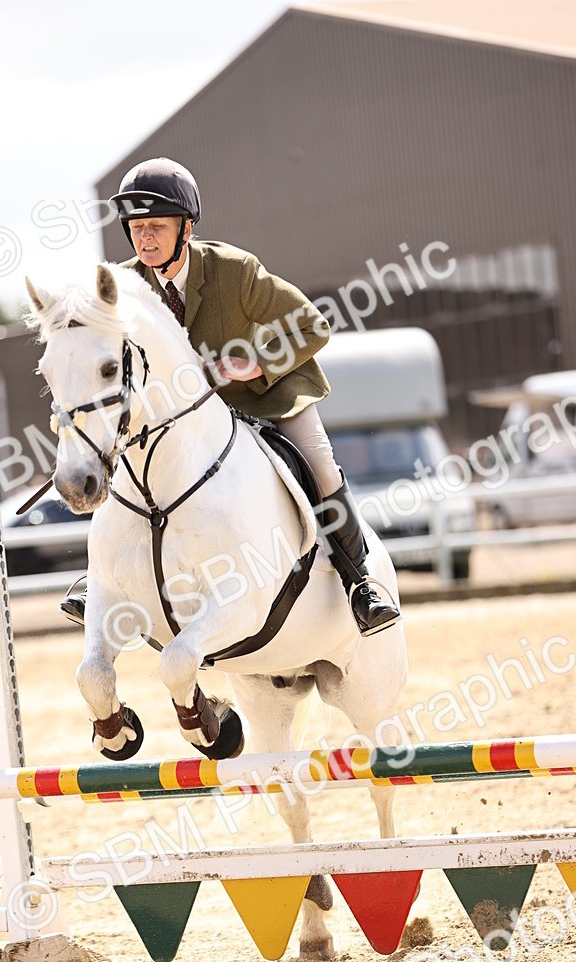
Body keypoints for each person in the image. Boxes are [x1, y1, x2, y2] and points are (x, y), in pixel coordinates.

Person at [61, 157, 399, 636]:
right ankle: (101, 580)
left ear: (187, 227)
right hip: (184, 412)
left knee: (320, 465)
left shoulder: (234, 271)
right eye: (136, 228)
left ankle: (359, 582)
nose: (145, 239)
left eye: (157, 226)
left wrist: (256, 360)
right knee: (127, 462)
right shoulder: (127, 285)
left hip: (267, 395)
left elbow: (313, 325)